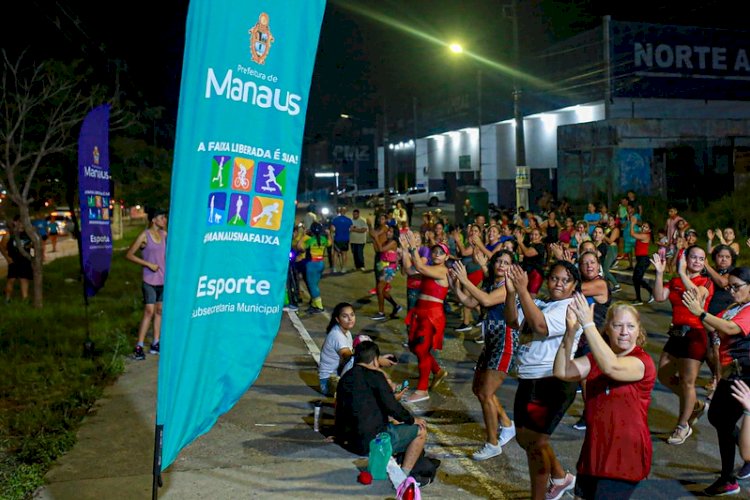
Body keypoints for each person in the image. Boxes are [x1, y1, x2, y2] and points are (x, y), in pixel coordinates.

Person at [554, 295, 656, 500]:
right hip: (594, 453)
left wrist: (588, 323)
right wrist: (571, 331)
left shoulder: (642, 362)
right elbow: (562, 370)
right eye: (618, 325)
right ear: (608, 329)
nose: (624, 332)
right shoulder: (595, 359)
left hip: (624, 456)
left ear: (639, 330)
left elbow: (612, 367)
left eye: (630, 326)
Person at [504, 261, 583, 500]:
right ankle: (561, 477)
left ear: (574, 286)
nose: (559, 284)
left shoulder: (570, 307)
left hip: (552, 382)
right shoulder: (540, 303)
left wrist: (523, 290)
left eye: (565, 280)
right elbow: (512, 321)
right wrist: (511, 293)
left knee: (536, 445)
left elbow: (540, 325)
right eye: (555, 278)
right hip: (529, 380)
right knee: (525, 439)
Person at [681, 267, 750, 496]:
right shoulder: (734, 307)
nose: (731, 291)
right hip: (730, 373)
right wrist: (698, 309)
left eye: (736, 287)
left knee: (724, 419)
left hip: (744, 376)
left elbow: (731, 328)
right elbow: (714, 325)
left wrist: (700, 313)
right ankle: (737, 466)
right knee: (719, 418)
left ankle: (729, 478)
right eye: (729, 286)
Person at [450, 251, 518, 461]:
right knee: (478, 389)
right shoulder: (489, 284)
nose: (501, 265)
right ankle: (507, 424)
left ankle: (492, 443)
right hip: (491, 342)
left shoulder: (507, 287)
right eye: (498, 260)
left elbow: (486, 301)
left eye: (506, 262)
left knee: (486, 393)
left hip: (504, 343)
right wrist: (455, 284)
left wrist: (465, 280)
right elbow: (469, 302)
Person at [334, 340, 428, 481]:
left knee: (393, 422)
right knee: (421, 431)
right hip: (371, 444)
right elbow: (393, 407)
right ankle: (403, 476)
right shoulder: (376, 377)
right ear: (374, 360)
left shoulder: (345, 378)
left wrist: (337, 435)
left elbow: (341, 409)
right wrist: (413, 420)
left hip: (349, 441)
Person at [651, 245, 715, 445]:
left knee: (688, 382)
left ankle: (682, 425)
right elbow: (660, 296)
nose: (697, 261)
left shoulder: (706, 281)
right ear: (685, 258)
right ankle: (694, 404)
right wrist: (660, 274)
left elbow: (697, 295)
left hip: (695, 335)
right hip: (676, 333)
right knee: (663, 375)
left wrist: (680, 271)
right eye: (693, 257)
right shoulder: (676, 280)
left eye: (701, 258)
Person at [401, 231, 450, 404]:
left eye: (440, 252)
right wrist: (405, 250)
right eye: (435, 252)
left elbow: (420, 268)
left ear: (446, 256)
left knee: (422, 350)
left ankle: (422, 390)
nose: (436, 254)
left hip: (432, 315)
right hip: (420, 312)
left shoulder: (442, 271)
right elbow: (409, 270)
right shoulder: (430, 269)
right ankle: (437, 371)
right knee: (415, 347)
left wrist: (413, 247)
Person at [125, 208, 167, 359]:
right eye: (162, 218)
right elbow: (129, 254)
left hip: (163, 279)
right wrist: (147, 264)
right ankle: (139, 346)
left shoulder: (163, 235)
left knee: (159, 311)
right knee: (149, 311)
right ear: (154, 219)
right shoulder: (145, 235)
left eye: (165, 218)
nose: (164, 220)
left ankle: (156, 343)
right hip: (149, 279)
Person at [318, 302, 355, 396]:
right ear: (337, 319)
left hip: (336, 377)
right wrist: (376, 359)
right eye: (345, 316)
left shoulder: (346, 332)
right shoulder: (337, 336)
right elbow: (349, 357)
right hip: (329, 383)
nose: (350, 319)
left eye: (352, 315)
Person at [370, 223, 402, 320]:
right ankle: (396, 306)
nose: (388, 233)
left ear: (395, 233)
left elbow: (381, 249)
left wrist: (376, 237)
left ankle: (381, 313)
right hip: (383, 266)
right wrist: (374, 239)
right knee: (382, 291)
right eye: (388, 231)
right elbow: (377, 249)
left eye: (391, 231)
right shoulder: (387, 241)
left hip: (389, 268)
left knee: (379, 289)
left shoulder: (393, 242)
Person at [297, 221, 331, 314]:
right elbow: (330, 243)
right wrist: (329, 234)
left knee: (312, 286)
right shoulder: (323, 239)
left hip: (312, 265)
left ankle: (319, 306)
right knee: (315, 284)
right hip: (320, 264)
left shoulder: (310, 240)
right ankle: (314, 305)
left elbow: (300, 248)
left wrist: (303, 237)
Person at [1, 215, 33, 303]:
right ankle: (7, 299)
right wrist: (8, 258)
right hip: (13, 260)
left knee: (24, 279)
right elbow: (2, 247)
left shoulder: (28, 234)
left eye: (23, 222)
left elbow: (34, 245)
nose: (22, 224)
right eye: (20, 221)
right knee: (11, 279)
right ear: (15, 222)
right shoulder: (9, 234)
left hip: (25, 260)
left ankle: (25, 299)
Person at [629, 216, 653, 306]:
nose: (643, 227)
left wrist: (632, 223)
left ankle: (648, 293)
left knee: (637, 278)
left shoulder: (645, 235)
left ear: (649, 230)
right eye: (643, 226)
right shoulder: (642, 233)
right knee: (637, 279)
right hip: (641, 259)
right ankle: (639, 297)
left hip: (644, 259)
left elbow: (632, 234)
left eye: (646, 227)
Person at [330, 206, 353, 273]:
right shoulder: (349, 220)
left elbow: (332, 229)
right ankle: (343, 268)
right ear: (345, 212)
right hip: (345, 239)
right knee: (344, 253)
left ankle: (334, 268)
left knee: (335, 253)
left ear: (339, 211)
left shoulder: (335, 219)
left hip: (337, 238)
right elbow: (351, 229)